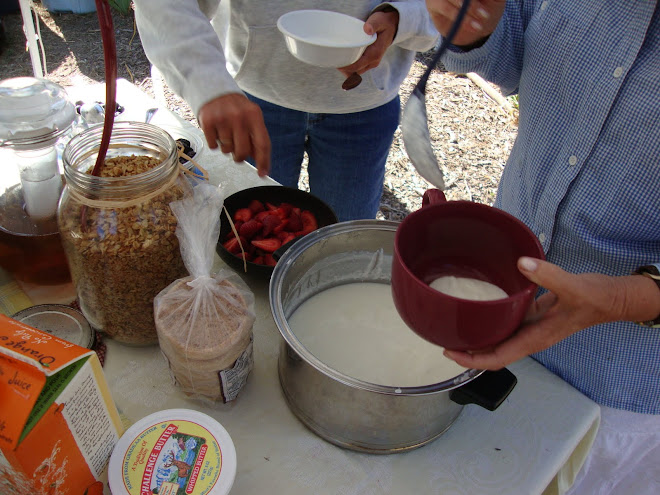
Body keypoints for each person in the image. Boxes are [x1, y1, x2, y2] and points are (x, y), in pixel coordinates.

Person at [425, 0, 660, 493]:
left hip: (618, 385)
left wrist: (629, 298)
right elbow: (513, 45)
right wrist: (473, 32)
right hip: (491, 309)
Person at [132, 1, 438, 221]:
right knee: (255, 234)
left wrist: (404, 16)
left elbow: (458, 9)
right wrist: (206, 80)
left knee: (344, 242)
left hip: (363, 109)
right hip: (253, 99)